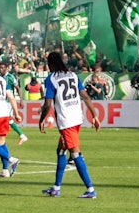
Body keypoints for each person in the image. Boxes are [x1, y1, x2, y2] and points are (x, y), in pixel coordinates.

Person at [38, 49, 100, 198]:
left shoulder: (51, 79)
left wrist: (41, 120)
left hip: (66, 121)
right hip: (77, 118)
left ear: (50, 65)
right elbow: (85, 96)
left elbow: (47, 104)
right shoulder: (73, 75)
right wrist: (95, 116)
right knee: (60, 150)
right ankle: (56, 187)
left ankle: (90, 190)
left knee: (75, 153)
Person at [0, 59, 29, 145]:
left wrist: (21, 100)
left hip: (8, 102)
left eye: (2, 68)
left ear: (7, 68)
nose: (0, 69)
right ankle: (21, 135)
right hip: (1, 101)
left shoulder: (10, 77)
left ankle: (21, 135)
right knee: (6, 119)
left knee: (7, 118)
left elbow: (18, 88)